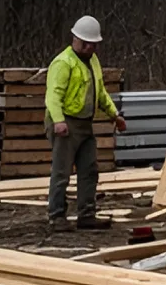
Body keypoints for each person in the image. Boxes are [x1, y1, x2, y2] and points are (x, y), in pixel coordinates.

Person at [45, 15, 125, 230]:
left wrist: (114, 114)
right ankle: (56, 216)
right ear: (75, 39)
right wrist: (58, 121)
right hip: (66, 122)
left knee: (89, 169)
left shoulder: (93, 62)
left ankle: (86, 214)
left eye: (93, 44)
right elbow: (53, 96)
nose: (90, 47)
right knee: (62, 171)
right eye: (86, 43)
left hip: (84, 123)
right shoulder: (63, 62)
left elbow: (99, 92)